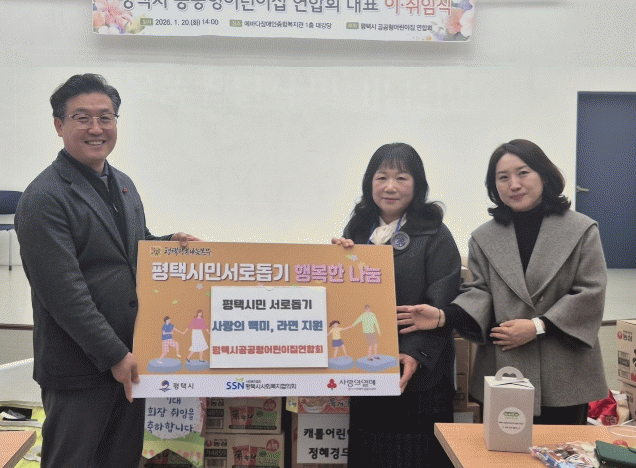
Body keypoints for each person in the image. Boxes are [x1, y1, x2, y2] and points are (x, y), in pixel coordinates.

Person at [14, 73, 200, 468]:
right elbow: (64, 293)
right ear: (59, 125)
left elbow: (130, 248)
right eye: (82, 118)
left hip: (131, 357)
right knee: (73, 461)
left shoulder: (122, 183)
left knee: (121, 459)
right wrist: (115, 355)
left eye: (106, 117)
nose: (96, 128)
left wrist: (168, 242)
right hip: (81, 367)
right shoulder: (44, 197)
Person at [397, 139, 607, 425]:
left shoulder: (582, 229)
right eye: (503, 177)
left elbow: (590, 292)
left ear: (544, 175)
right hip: (503, 368)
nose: (514, 184)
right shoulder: (484, 237)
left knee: (561, 448)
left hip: (563, 372)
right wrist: (443, 316)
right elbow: (479, 292)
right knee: (500, 447)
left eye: (523, 173)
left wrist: (537, 326)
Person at [332, 142, 461, 468]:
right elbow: (347, 296)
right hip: (368, 368)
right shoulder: (357, 229)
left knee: (417, 456)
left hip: (421, 376)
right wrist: (336, 260)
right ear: (369, 183)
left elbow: (443, 301)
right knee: (369, 452)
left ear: (417, 185)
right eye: (382, 177)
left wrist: (414, 353)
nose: (390, 187)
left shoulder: (435, 232)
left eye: (401, 178)